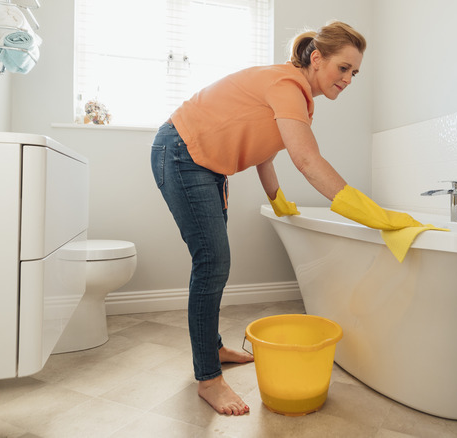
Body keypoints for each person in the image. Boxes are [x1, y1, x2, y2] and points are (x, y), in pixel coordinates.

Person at [150, 20, 423, 416]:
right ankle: (208, 378)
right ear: (316, 58)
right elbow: (308, 161)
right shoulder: (287, 85)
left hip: (205, 164)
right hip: (181, 151)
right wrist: (373, 214)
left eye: (355, 73)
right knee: (213, 262)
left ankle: (214, 348)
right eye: (343, 68)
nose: (348, 79)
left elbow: (265, 151)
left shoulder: (295, 96)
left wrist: (277, 199)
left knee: (214, 262)